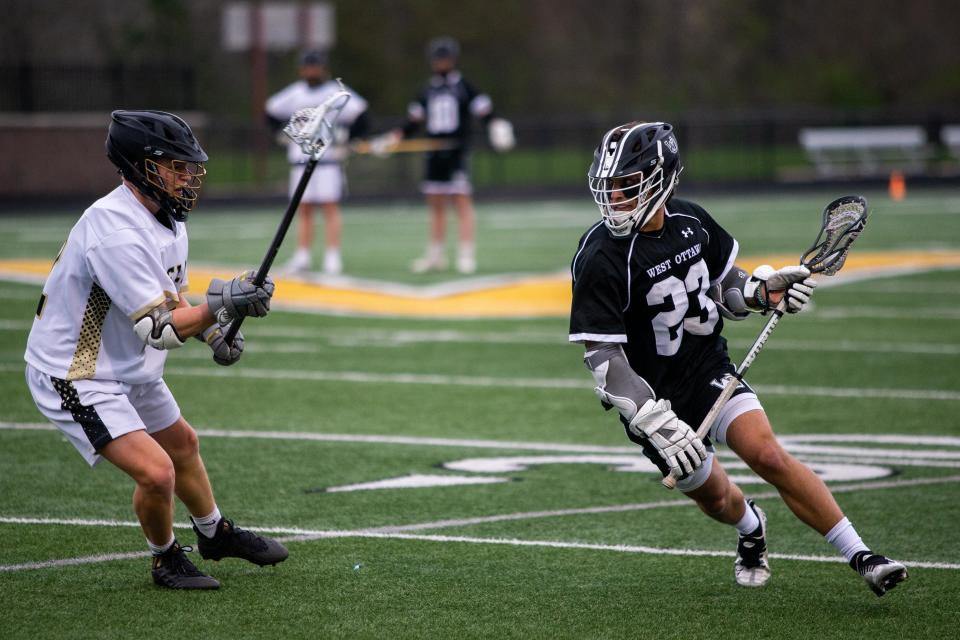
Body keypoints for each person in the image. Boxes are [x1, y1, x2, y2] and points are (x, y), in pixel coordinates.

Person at [569, 121, 908, 596]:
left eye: (627, 186)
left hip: (707, 367)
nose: (615, 199)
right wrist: (652, 418)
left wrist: (763, 292)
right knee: (716, 498)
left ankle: (863, 555)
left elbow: (726, 286)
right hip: (651, 398)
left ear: (660, 180)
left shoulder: (691, 221)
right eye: (611, 187)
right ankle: (751, 526)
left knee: (767, 454)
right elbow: (603, 355)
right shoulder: (600, 256)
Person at [24, 110, 288, 590]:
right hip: (77, 370)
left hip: (123, 363)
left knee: (183, 444)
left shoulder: (164, 216)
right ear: (140, 165)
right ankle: (165, 559)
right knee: (157, 472)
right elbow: (160, 328)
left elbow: (172, 296)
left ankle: (214, 533)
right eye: (175, 165)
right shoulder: (116, 232)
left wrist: (215, 329)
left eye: (189, 167)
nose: (187, 176)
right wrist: (223, 303)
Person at [376, 36, 515, 274]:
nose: (441, 63)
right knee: (436, 206)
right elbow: (413, 121)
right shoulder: (428, 89)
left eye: (444, 59)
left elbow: (485, 111)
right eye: (437, 59)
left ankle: (465, 254)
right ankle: (436, 255)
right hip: (434, 152)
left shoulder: (464, 86)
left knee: (461, 203)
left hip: (456, 152)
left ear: (452, 60)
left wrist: (497, 125)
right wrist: (393, 138)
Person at [266, 50, 369, 275]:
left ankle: (332, 256)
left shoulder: (334, 92)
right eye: (308, 67)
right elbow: (271, 111)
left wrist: (348, 141)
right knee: (303, 209)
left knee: (330, 206)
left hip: (327, 160)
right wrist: (281, 135)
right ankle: (302, 255)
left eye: (315, 67)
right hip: (300, 159)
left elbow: (361, 113)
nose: (312, 71)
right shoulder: (296, 93)